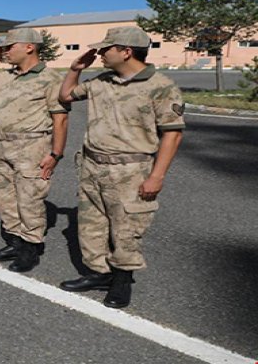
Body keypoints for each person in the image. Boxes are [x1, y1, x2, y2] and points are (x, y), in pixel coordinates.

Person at [58, 27, 184, 309]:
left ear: (126, 51)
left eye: (106, 49)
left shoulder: (160, 86)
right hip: (92, 164)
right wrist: (75, 69)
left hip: (130, 169)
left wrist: (157, 176)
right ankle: (98, 273)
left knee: (126, 228)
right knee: (91, 224)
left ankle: (122, 280)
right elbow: (65, 97)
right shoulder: (102, 81)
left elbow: (172, 134)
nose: (100, 54)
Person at [0, 27, 70, 273]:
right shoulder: (3, 77)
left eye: (10, 47)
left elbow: (60, 119)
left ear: (29, 47)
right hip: (2, 145)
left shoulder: (50, 79)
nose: (5, 52)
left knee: (30, 199)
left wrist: (55, 153)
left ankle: (30, 248)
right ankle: (14, 241)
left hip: (32, 145)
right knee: (5, 198)